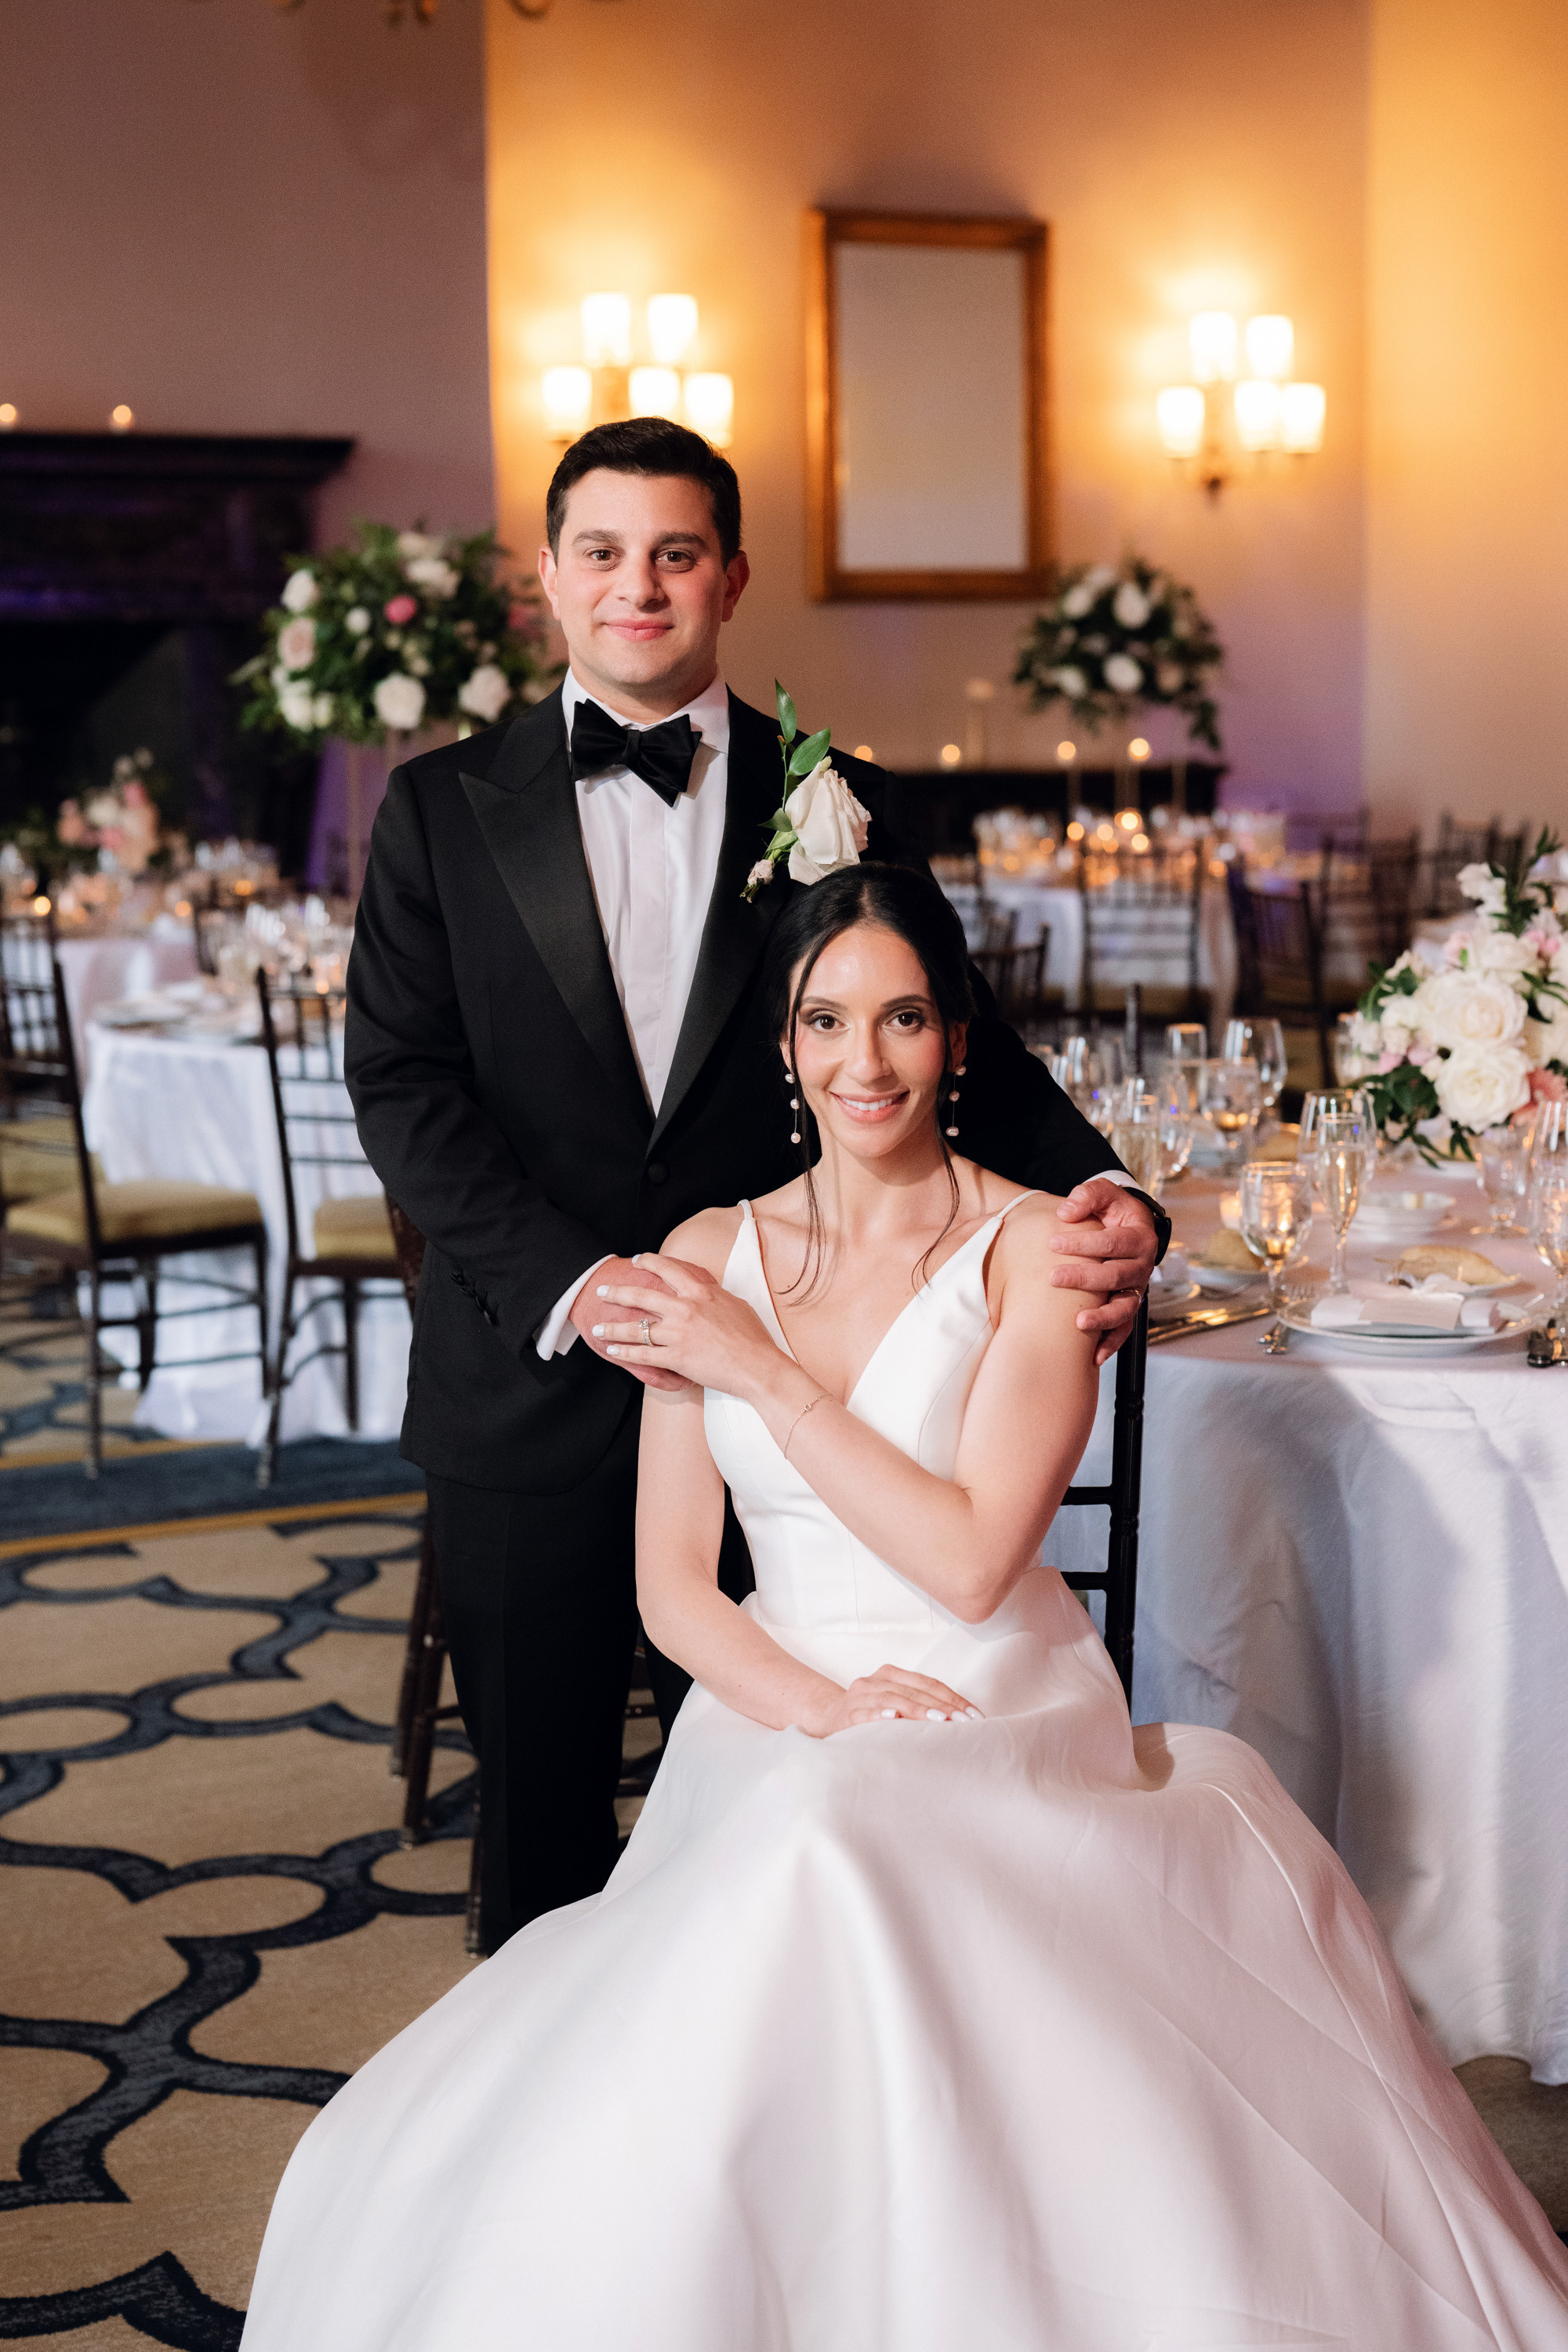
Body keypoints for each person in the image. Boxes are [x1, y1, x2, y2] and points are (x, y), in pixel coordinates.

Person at [246, 866, 1568, 2349]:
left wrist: (762, 1373)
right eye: (825, 1021)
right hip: (784, 1701)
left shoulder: (1034, 1256)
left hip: (999, 1695)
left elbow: (968, 1563)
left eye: (904, 1019)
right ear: (787, 1048)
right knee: (801, 1853)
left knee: (840, 1847)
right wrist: (816, 1709)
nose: (862, 1062)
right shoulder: (705, 1254)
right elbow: (675, 1587)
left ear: (955, 1040)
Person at [346, 416, 1167, 1952]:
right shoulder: (438, 811)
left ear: (730, 575)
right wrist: (585, 1290)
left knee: (787, 1815)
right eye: (601, 552)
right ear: (548, 576)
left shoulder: (832, 793)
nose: (636, 586)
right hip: (522, 1384)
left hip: (794, 1388)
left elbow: (942, 1033)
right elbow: (403, 1089)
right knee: (536, 1826)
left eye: (673, 554)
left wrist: (1105, 1186)